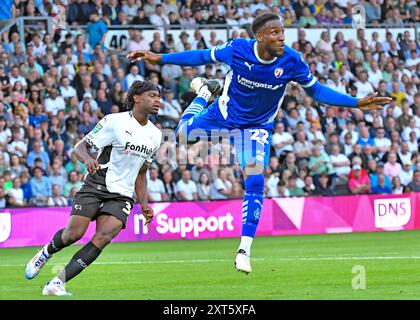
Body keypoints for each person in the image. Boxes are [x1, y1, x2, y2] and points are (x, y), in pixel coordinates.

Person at [127, 12, 391, 274]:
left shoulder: (292, 61)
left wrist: (356, 103)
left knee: (255, 182)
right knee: (184, 135)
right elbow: (201, 55)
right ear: (261, 36)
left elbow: (317, 91)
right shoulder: (238, 49)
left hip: (255, 128)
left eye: (282, 33)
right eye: (275, 33)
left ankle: (244, 250)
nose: (281, 38)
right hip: (224, 114)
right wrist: (159, 57)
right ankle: (206, 92)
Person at [24, 80, 162, 296]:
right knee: (73, 234)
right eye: (153, 96)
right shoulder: (114, 121)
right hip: (97, 184)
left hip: (123, 195)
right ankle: (45, 253)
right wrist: (88, 159)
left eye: (158, 97)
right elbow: (80, 147)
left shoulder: (156, 135)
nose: (157, 101)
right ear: (137, 98)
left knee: (104, 236)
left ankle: (57, 283)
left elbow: (142, 172)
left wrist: (144, 204)